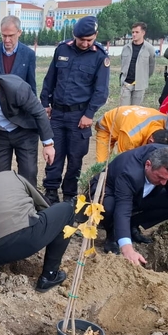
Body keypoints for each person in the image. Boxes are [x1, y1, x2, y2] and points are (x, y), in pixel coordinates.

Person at [0, 172, 85, 291]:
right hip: (18, 240)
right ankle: (49, 275)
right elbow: (45, 208)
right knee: (67, 211)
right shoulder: (17, 177)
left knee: (1, 233)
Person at [40, 15, 110, 204]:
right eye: (82, 40)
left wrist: (89, 114)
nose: (86, 43)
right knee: (54, 154)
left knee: (75, 158)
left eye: (90, 40)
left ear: (95, 36)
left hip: (80, 117)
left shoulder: (100, 57)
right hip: (57, 113)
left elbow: (101, 91)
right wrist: (45, 103)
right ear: (74, 35)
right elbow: (50, 80)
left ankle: (70, 194)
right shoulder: (62, 49)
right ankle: (51, 191)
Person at [99, 145, 168, 264]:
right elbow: (123, 208)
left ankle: (131, 224)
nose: (163, 183)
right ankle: (112, 234)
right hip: (112, 192)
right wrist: (127, 249)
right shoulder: (129, 173)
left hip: (141, 194)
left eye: (167, 178)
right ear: (148, 165)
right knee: (109, 207)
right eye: (160, 177)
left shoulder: (165, 157)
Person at [94, 106, 168, 162]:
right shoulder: (131, 137)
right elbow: (123, 160)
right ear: (151, 140)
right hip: (107, 127)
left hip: (129, 120)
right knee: (102, 165)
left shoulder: (165, 120)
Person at [0, 16, 37, 95]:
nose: (7, 40)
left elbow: (31, 86)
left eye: (10, 36)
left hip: (18, 104)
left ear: (19, 32)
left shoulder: (29, 54)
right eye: (4, 35)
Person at [119, 22, 156, 106]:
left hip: (140, 85)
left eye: (137, 32)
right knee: (124, 110)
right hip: (126, 83)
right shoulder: (126, 48)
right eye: (133, 32)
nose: (134, 34)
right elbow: (123, 63)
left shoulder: (149, 48)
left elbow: (151, 66)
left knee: (135, 110)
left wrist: (143, 77)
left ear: (143, 33)